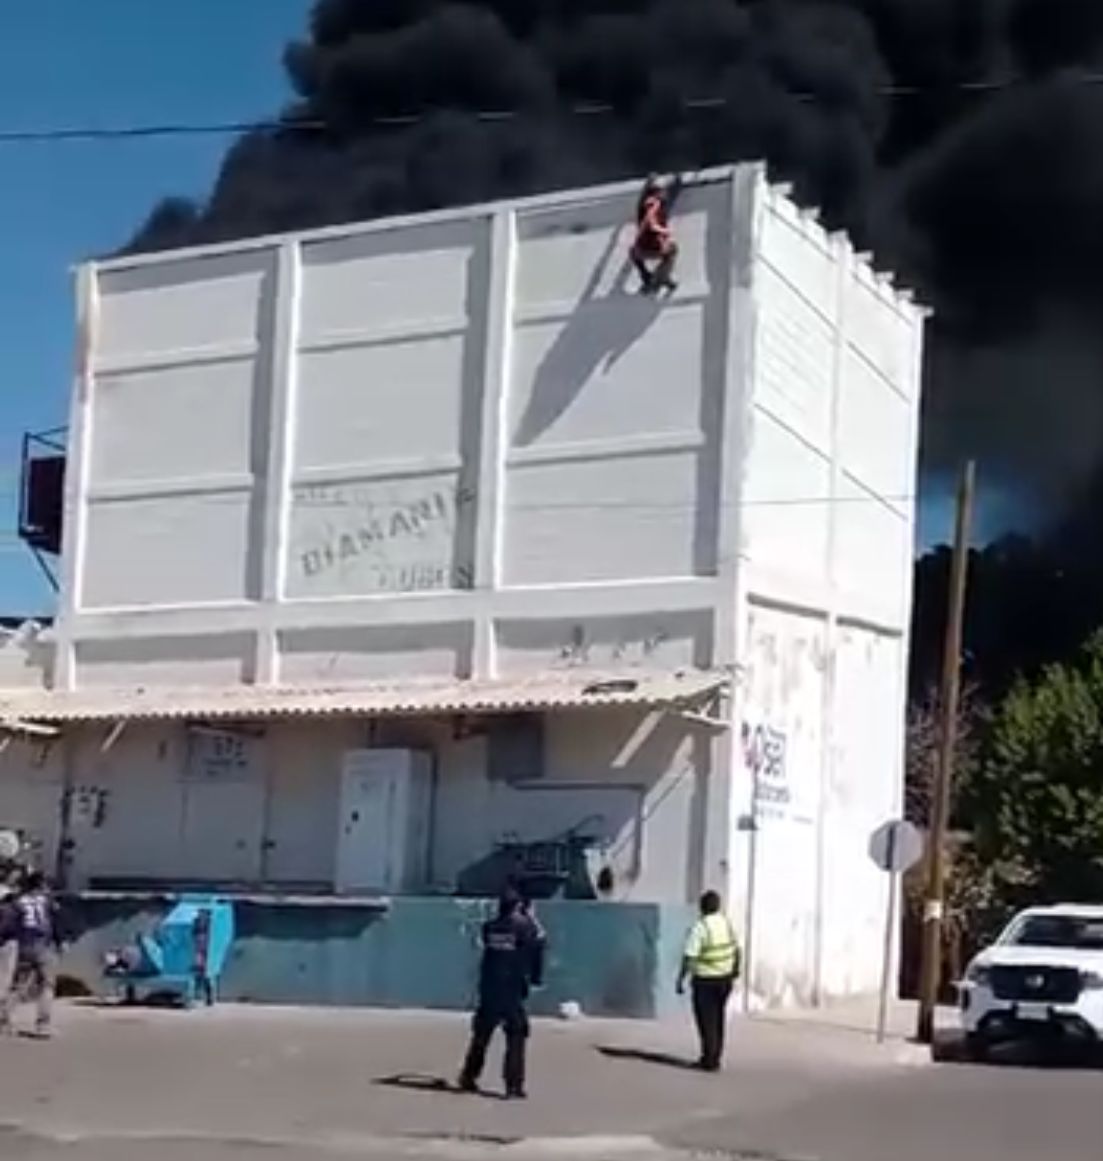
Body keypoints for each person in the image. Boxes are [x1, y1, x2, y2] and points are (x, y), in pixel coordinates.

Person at [458, 887, 546, 1099]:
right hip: (512, 990)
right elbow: (537, 946)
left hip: (489, 988)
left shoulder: (489, 927)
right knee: (516, 1036)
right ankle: (513, 1086)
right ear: (518, 906)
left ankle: (468, 1076)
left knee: (481, 1035)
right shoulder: (525, 928)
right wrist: (532, 918)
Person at [677, 890, 740, 1072]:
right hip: (725, 980)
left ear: (702, 907)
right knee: (718, 1018)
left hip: (705, 980)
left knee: (706, 1021)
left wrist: (681, 978)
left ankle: (709, 1059)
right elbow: (737, 949)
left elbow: (689, 956)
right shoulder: (726, 923)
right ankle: (715, 1056)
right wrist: (735, 970)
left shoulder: (701, 927)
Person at [3, 871, 62, 1038]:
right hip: (43, 945)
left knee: (19, 985)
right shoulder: (47, 902)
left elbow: (7, 925)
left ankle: (4, 1021)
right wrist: (59, 941)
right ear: (41, 885)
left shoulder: (18, 903)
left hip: (25, 945)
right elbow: (55, 922)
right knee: (47, 985)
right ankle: (43, 1024)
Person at [630, 174, 679, 295]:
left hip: (640, 250)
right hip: (655, 248)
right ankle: (662, 277)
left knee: (633, 252)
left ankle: (647, 277)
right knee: (672, 249)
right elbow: (653, 224)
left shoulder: (644, 207)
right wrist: (664, 232)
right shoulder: (656, 206)